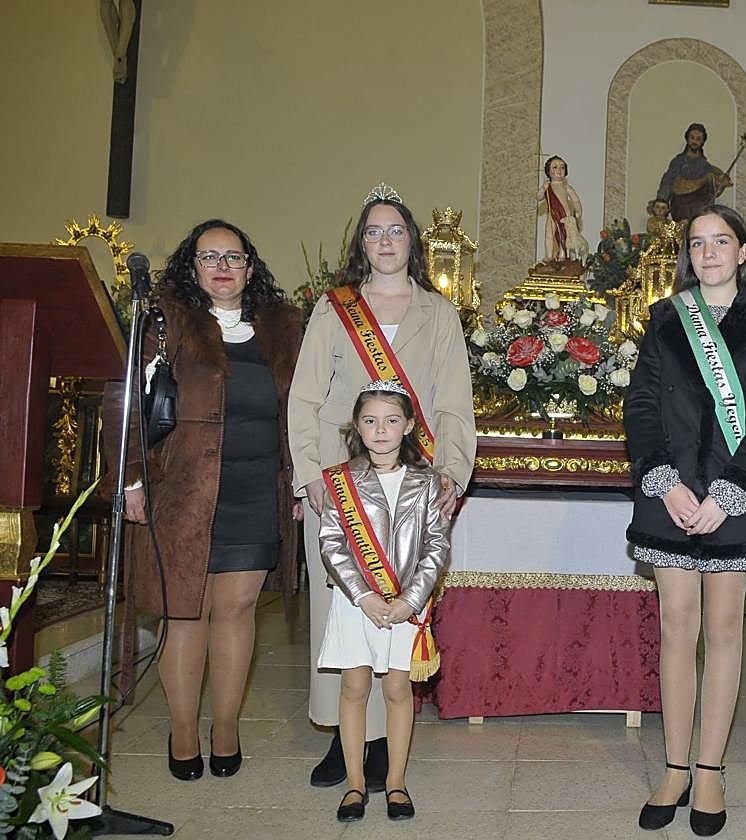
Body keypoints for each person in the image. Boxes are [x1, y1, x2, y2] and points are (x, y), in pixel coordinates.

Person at [289, 183, 476, 792]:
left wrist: (451, 471)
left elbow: (452, 404)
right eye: (374, 231)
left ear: (412, 241)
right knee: (341, 609)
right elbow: (306, 396)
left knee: (397, 606)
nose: (385, 240)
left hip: (413, 482)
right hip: (340, 482)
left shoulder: (439, 313)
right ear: (360, 242)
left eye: (395, 230)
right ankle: (344, 739)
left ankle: (381, 745)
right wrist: (311, 473)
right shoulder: (334, 306)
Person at [104, 219, 303, 780]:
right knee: (184, 611)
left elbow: (306, 408)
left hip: (256, 488)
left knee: (236, 609)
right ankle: (184, 731)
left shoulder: (284, 329)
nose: (222, 266)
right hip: (182, 491)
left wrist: (302, 480)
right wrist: (134, 480)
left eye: (234, 257)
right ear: (191, 266)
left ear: (250, 266)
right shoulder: (162, 324)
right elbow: (124, 406)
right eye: (209, 256)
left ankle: (226, 728)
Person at [625, 204, 746, 836]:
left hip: (733, 498)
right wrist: (663, 482)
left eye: (722, 241)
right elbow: (641, 402)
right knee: (676, 629)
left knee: (724, 630)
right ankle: (673, 767)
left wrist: (730, 492)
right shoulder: (666, 319)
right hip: (671, 498)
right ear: (687, 254)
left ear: (743, 252)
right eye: (698, 244)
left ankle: (711, 767)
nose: (710, 252)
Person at [317, 381, 450, 822]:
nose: (380, 430)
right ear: (357, 426)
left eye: (392, 421)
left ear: (409, 426)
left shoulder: (426, 482)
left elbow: (436, 547)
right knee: (354, 688)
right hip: (358, 604)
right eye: (370, 421)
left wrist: (411, 600)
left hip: (404, 607)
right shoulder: (341, 481)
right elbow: (332, 544)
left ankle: (395, 782)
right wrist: (364, 595)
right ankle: (355, 783)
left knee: (397, 689)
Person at [656, 123, 732, 222]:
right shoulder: (678, 161)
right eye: (692, 137)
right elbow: (668, 180)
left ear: (702, 142)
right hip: (680, 204)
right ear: (687, 139)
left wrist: (720, 182)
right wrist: (662, 199)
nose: (695, 141)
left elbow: (713, 189)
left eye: (698, 138)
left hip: (700, 206)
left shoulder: (705, 165)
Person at [537, 155, 584, 263]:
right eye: (555, 167)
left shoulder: (566, 187)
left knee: (563, 234)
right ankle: (548, 255)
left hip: (565, 215)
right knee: (549, 234)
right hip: (552, 215)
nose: (559, 170)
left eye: (562, 167)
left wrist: (578, 211)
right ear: (548, 171)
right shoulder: (548, 187)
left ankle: (562, 254)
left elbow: (575, 199)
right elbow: (538, 198)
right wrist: (543, 188)